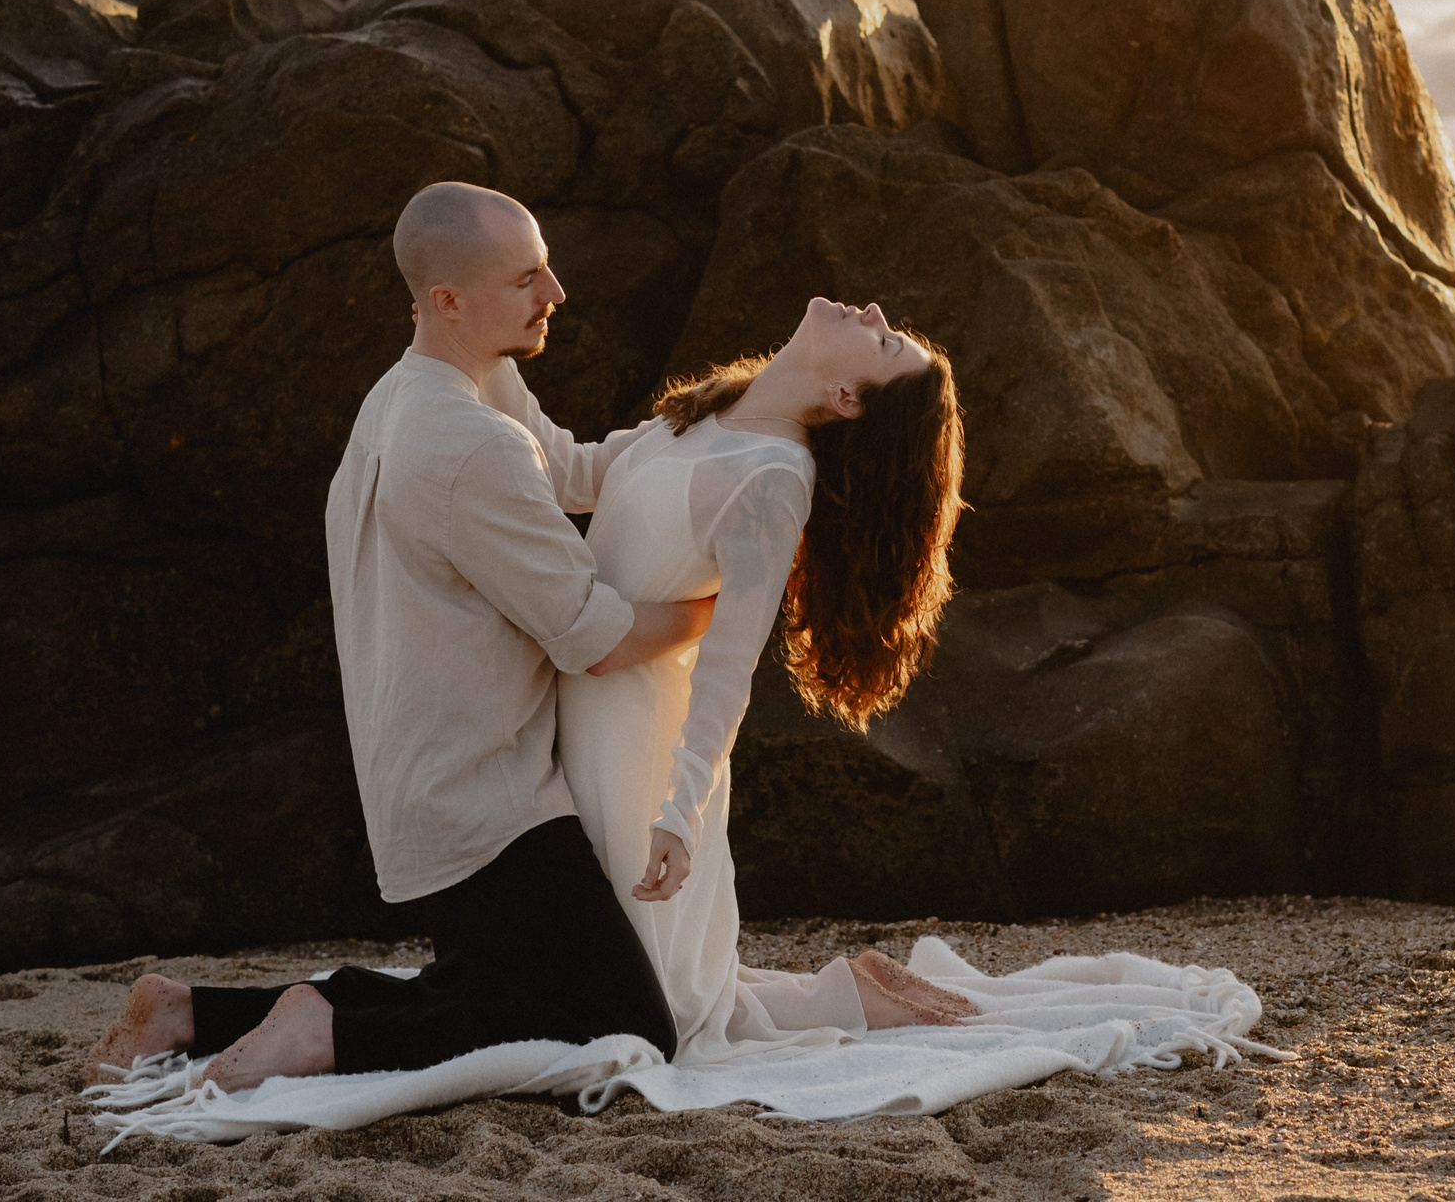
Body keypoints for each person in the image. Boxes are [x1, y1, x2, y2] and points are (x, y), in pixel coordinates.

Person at [81, 182, 714, 1089]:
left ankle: (189, 1011)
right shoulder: (463, 443)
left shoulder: (445, 382)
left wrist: (713, 425)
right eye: (528, 275)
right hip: (483, 794)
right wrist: (725, 606)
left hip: (431, 769)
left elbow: (575, 469)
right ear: (446, 298)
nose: (557, 292)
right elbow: (593, 636)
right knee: (626, 1028)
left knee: (485, 981)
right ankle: (321, 1035)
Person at [499, 296, 979, 1060]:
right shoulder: (704, 413)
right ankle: (848, 990)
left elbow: (728, 668)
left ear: (846, 399)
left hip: (637, 745)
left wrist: (679, 814)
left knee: (662, 1008)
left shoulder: (773, 477)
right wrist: (486, 359)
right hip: (580, 707)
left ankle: (852, 998)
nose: (876, 312)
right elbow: (570, 473)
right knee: (619, 981)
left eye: (885, 344)